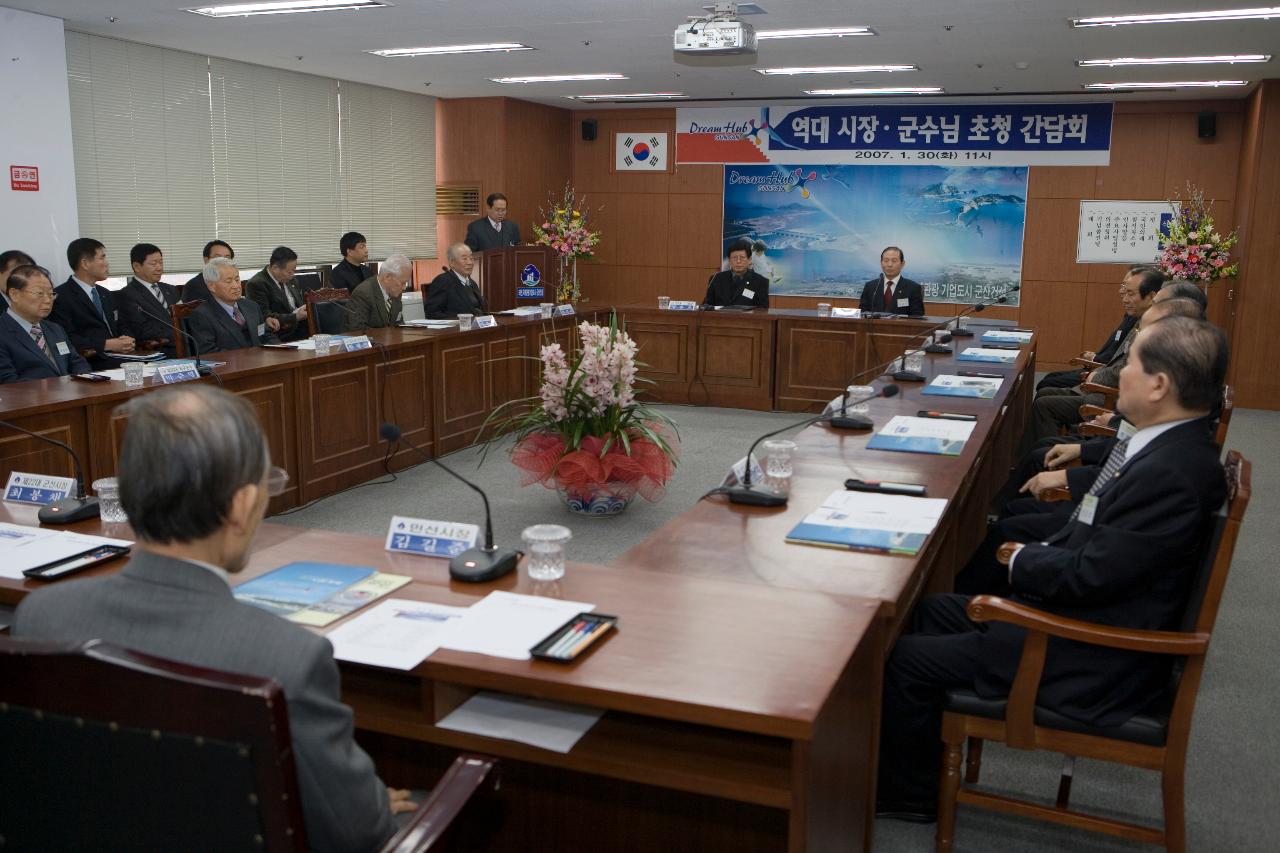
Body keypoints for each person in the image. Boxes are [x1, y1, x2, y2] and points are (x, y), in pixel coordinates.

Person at [13, 385, 414, 850]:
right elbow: (358, 832)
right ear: (242, 505)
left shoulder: (40, 616)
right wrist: (373, 803)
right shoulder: (287, 658)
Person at [877, 315, 1229, 823]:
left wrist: (1018, 557)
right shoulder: (1173, 447)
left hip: (1095, 653)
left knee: (906, 659)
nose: (1119, 372)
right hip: (1091, 618)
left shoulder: (1172, 473)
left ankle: (906, 799)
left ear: (1159, 385)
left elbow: (1088, 577)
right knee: (931, 610)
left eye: (1129, 363)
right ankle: (913, 773)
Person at [1019, 266, 1163, 454]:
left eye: (1130, 293)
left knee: (1044, 404)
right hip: (1101, 387)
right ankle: (1030, 454)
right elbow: (1116, 361)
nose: (1124, 298)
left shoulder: (1151, 330)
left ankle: (1047, 457)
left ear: (1152, 296)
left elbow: (1124, 371)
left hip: (1109, 398)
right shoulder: (1137, 320)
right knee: (1046, 391)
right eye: (1124, 291)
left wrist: (1095, 376)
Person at [1036, 265, 1154, 392]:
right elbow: (1116, 346)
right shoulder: (1131, 315)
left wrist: (1095, 360)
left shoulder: (1141, 320)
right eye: (1123, 285)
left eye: (1127, 287)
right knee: (1049, 378)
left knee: (1047, 385)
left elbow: (1119, 360)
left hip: (1103, 376)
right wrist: (1096, 356)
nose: (1121, 291)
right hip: (1100, 368)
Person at [51, 238, 135, 370]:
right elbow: (67, 338)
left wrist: (126, 338)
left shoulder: (105, 293)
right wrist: (106, 344)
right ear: (85, 264)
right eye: (102, 258)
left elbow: (120, 324)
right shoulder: (61, 297)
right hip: (91, 362)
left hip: (122, 356)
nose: (107, 263)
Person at [0, 264, 91, 383]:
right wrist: (57, 388)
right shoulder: (3, 331)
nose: (48, 300)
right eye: (40, 293)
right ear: (14, 294)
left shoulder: (55, 329)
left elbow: (77, 362)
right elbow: (7, 381)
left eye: (51, 294)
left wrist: (82, 380)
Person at [186, 257, 281, 353]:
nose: (236, 286)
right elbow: (208, 352)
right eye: (228, 281)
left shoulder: (252, 306)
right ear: (211, 286)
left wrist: (282, 350)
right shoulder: (202, 315)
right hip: (233, 366)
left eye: (237, 279)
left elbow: (264, 335)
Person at [116, 243, 181, 356]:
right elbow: (142, 330)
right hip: (160, 351)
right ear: (137, 266)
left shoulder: (170, 289)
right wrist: (180, 331)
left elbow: (185, 317)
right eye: (153, 263)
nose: (159, 267)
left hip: (187, 345)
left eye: (161, 262)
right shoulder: (127, 294)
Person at [245, 246, 308, 341]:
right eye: (289, 271)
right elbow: (263, 315)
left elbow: (298, 305)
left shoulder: (292, 280)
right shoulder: (256, 284)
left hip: (302, 328)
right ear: (275, 268)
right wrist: (296, 317)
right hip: (281, 334)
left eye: (294, 270)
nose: (292, 275)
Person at [345, 254, 409, 332]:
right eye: (403, 283)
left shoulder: (395, 291)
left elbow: (398, 323)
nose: (404, 287)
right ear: (387, 277)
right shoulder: (363, 293)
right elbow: (357, 330)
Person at [425, 243, 487, 318]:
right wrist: (459, 320)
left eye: (471, 258)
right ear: (452, 262)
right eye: (464, 259)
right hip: (456, 328)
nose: (470, 263)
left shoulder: (472, 283)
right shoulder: (443, 281)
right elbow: (432, 313)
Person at [858, 246, 924, 316]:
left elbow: (917, 316)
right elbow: (862, 313)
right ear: (881, 263)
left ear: (902, 264)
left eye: (894, 261)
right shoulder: (870, 286)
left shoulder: (913, 288)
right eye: (886, 261)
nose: (889, 265)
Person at [703, 240, 769, 308]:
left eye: (742, 257)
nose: (738, 261)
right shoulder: (716, 278)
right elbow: (706, 305)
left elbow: (763, 310)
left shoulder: (761, 281)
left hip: (746, 318)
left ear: (749, 260)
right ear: (729, 260)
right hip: (720, 318)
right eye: (734, 258)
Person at [184, 240, 233, 304]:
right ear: (206, 260)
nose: (223, 262)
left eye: (227, 258)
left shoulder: (234, 281)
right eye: (218, 258)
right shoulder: (194, 286)